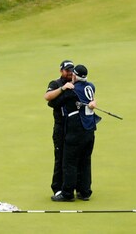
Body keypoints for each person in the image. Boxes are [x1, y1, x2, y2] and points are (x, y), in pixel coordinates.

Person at [53, 64, 99, 202]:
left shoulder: (72, 91)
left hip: (76, 129)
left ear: (74, 76)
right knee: (85, 161)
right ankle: (85, 192)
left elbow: (53, 102)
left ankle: (67, 193)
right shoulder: (90, 86)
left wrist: (63, 89)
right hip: (90, 129)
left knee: (70, 162)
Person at [43, 60, 76, 197]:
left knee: (72, 158)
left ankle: (72, 187)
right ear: (61, 71)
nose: (69, 72)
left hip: (74, 127)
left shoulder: (77, 83)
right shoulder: (55, 83)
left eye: (71, 70)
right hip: (60, 127)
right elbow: (47, 97)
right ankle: (57, 188)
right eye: (67, 70)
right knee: (60, 157)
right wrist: (63, 88)